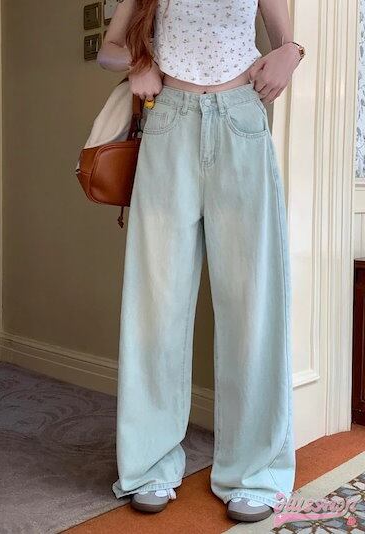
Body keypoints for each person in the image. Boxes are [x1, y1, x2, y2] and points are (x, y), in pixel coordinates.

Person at [97, 0, 304, 523]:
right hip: (168, 120)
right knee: (155, 301)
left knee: (253, 302)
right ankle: (149, 465)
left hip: (240, 120)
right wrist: (139, 63)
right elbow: (108, 49)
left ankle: (254, 473)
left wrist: (291, 52)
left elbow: (285, 41)